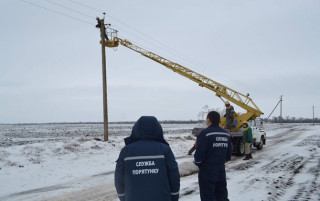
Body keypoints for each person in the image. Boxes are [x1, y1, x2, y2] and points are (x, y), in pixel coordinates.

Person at [115, 116, 180, 201]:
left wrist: (123, 197)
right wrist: (174, 196)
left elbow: (119, 178)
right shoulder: (164, 149)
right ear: (158, 129)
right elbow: (174, 176)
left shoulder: (126, 151)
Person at [194, 111, 232, 201]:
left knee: (208, 197)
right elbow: (228, 155)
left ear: (209, 119)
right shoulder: (226, 134)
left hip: (207, 171)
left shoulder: (205, 134)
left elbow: (199, 156)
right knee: (221, 196)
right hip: (221, 170)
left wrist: (198, 163)